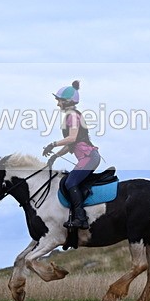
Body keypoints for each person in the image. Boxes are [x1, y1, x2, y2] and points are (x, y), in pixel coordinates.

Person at [42, 80, 100, 230]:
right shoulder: (71, 115)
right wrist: (55, 156)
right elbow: (70, 146)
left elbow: (72, 138)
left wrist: (52, 144)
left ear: (67, 101)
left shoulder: (72, 116)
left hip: (89, 157)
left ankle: (81, 219)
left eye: (59, 101)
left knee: (70, 183)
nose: (57, 104)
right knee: (70, 181)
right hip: (87, 156)